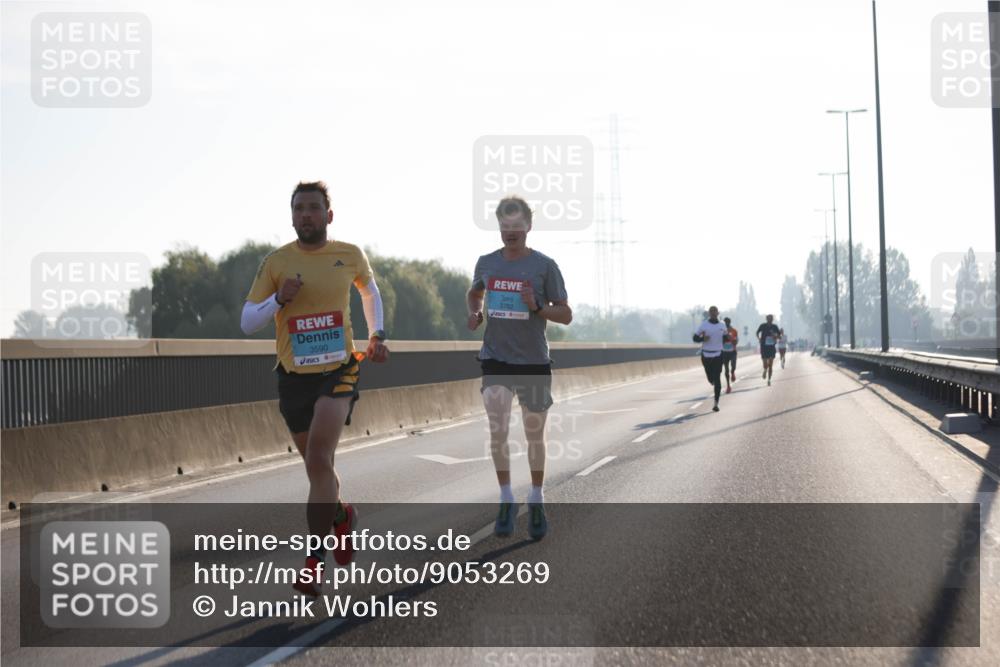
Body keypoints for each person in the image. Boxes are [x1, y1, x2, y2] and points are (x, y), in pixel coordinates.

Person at [241, 181, 389, 596]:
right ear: (292, 217)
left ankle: (313, 562)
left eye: (313, 207)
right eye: (299, 208)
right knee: (317, 469)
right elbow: (247, 321)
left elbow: (369, 290)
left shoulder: (349, 254)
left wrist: (377, 333)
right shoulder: (276, 263)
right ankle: (341, 516)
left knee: (321, 459)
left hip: (338, 369)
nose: (306, 214)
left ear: (329, 215)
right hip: (293, 378)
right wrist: (279, 302)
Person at [467, 196, 572, 541]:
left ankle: (537, 498)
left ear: (529, 226)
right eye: (504, 225)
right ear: (498, 226)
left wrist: (537, 305)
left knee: (533, 434)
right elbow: (474, 293)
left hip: (533, 360)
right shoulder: (486, 263)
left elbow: (565, 315)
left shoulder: (544, 266)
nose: (510, 232)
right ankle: (506, 497)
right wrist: (475, 312)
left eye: (517, 225)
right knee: (497, 427)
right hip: (495, 357)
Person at [694, 306, 728, 411]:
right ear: (709, 313)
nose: (713, 313)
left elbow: (725, 337)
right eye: (711, 311)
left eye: (715, 311)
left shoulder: (722, 325)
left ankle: (716, 403)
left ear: (718, 313)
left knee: (717, 378)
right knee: (710, 378)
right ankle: (710, 379)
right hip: (706, 355)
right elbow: (695, 338)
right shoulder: (704, 325)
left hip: (718, 354)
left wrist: (727, 338)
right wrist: (702, 338)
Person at [756, 314, 780, 386]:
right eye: (769, 318)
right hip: (764, 347)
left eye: (771, 318)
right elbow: (757, 332)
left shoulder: (775, 327)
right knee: (765, 364)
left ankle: (769, 380)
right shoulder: (763, 326)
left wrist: (775, 335)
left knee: (771, 365)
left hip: (772, 347)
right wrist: (759, 338)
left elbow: (779, 336)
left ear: (772, 319)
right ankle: (765, 370)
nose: (770, 320)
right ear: (766, 319)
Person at [721, 316, 739, 393]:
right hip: (724, 352)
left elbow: (736, 342)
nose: (726, 324)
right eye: (725, 323)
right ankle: (728, 386)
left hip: (732, 351)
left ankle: (733, 372)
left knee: (733, 366)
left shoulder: (734, 331)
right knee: (726, 369)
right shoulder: (721, 331)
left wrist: (731, 338)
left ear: (729, 323)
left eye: (727, 323)